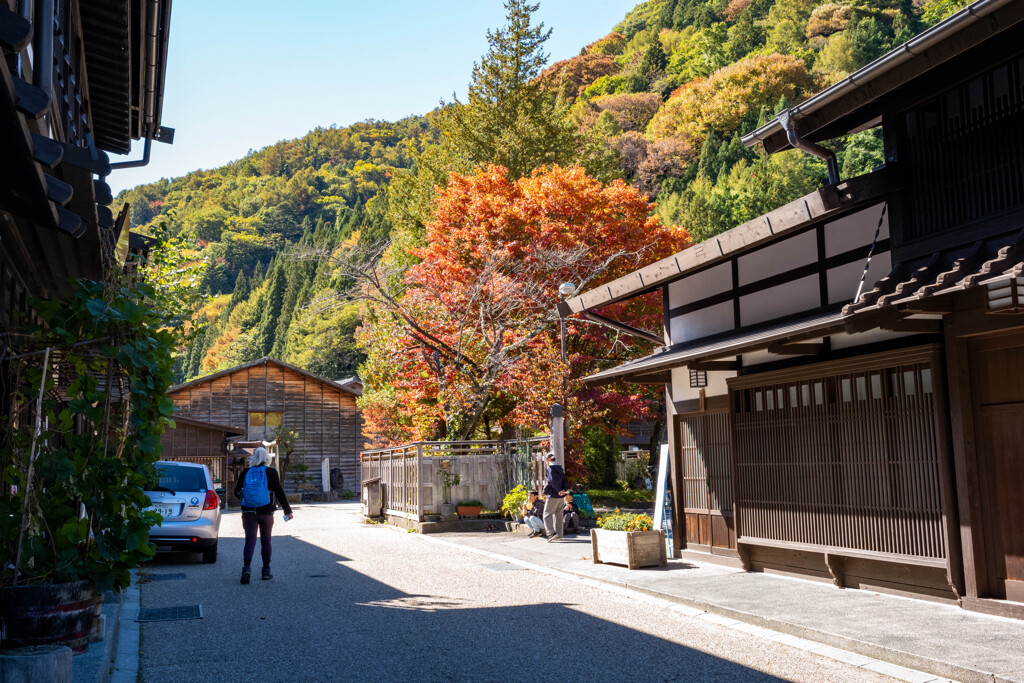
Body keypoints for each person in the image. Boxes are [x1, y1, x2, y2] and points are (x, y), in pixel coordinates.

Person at [233, 447, 293, 584]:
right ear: (267, 458)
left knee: (250, 541)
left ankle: (247, 568)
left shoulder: (245, 472)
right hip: (266, 513)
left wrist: (246, 500)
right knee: (266, 541)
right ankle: (266, 571)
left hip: (249, 512)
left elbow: (236, 492)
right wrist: (287, 510)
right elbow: (279, 492)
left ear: (253, 458)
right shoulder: (271, 472)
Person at [542, 452, 570, 542]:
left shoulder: (550, 468)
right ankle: (559, 534)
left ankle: (552, 533)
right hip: (561, 496)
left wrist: (558, 490)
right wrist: (563, 491)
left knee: (547, 515)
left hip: (553, 495)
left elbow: (551, 481)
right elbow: (564, 481)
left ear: (547, 460)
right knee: (558, 515)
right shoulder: (560, 468)